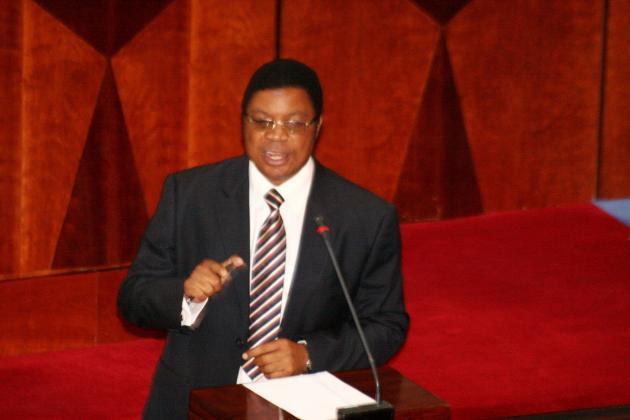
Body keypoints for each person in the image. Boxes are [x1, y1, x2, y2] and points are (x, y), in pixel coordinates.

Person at [117, 58, 408, 419]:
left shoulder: (364, 217)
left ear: (318, 126)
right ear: (244, 123)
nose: (276, 136)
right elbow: (133, 298)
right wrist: (185, 295)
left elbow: (386, 326)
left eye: (294, 123)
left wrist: (309, 354)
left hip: (301, 404)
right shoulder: (191, 195)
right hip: (192, 403)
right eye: (262, 121)